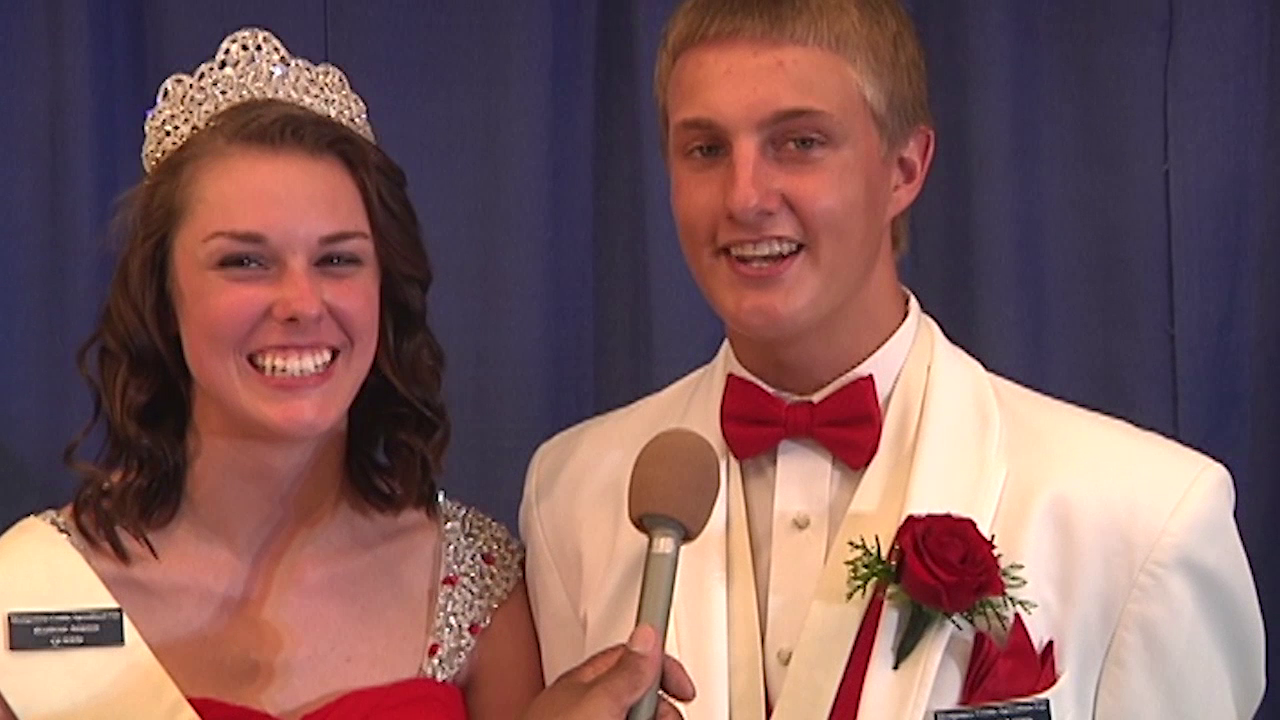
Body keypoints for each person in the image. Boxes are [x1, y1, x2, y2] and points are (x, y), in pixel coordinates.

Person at [520, 1, 1266, 718]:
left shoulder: (1143, 518)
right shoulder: (571, 495)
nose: (744, 197)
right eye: (707, 149)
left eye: (799, 142)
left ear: (905, 169)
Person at [0, 28, 694, 720]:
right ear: (163, 296)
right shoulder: (36, 590)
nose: (302, 304)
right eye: (245, 261)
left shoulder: (475, 585)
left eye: (338, 260)